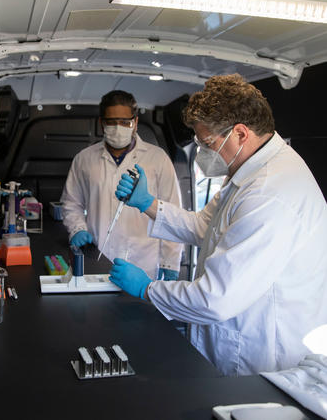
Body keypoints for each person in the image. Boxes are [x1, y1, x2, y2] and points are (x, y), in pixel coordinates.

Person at [111, 74, 327, 376]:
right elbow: (204, 227)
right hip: (234, 339)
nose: (201, 152)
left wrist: (149, 289)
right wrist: (148, 204)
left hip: (260, 356)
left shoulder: (269, 193)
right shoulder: (249, 171)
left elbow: (214, 299)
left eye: (207, 142)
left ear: (240, 133)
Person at [60, 90, 182, 280]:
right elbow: (71, 203)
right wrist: (78, 228)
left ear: (136, 123)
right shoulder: (84, 159)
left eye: (125, 122)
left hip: (142, 264)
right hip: (96, 257)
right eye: (112, 122)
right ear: (101, 123)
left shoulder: (157, 159)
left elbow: (172, 214)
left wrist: (170, 261)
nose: (119, 128)